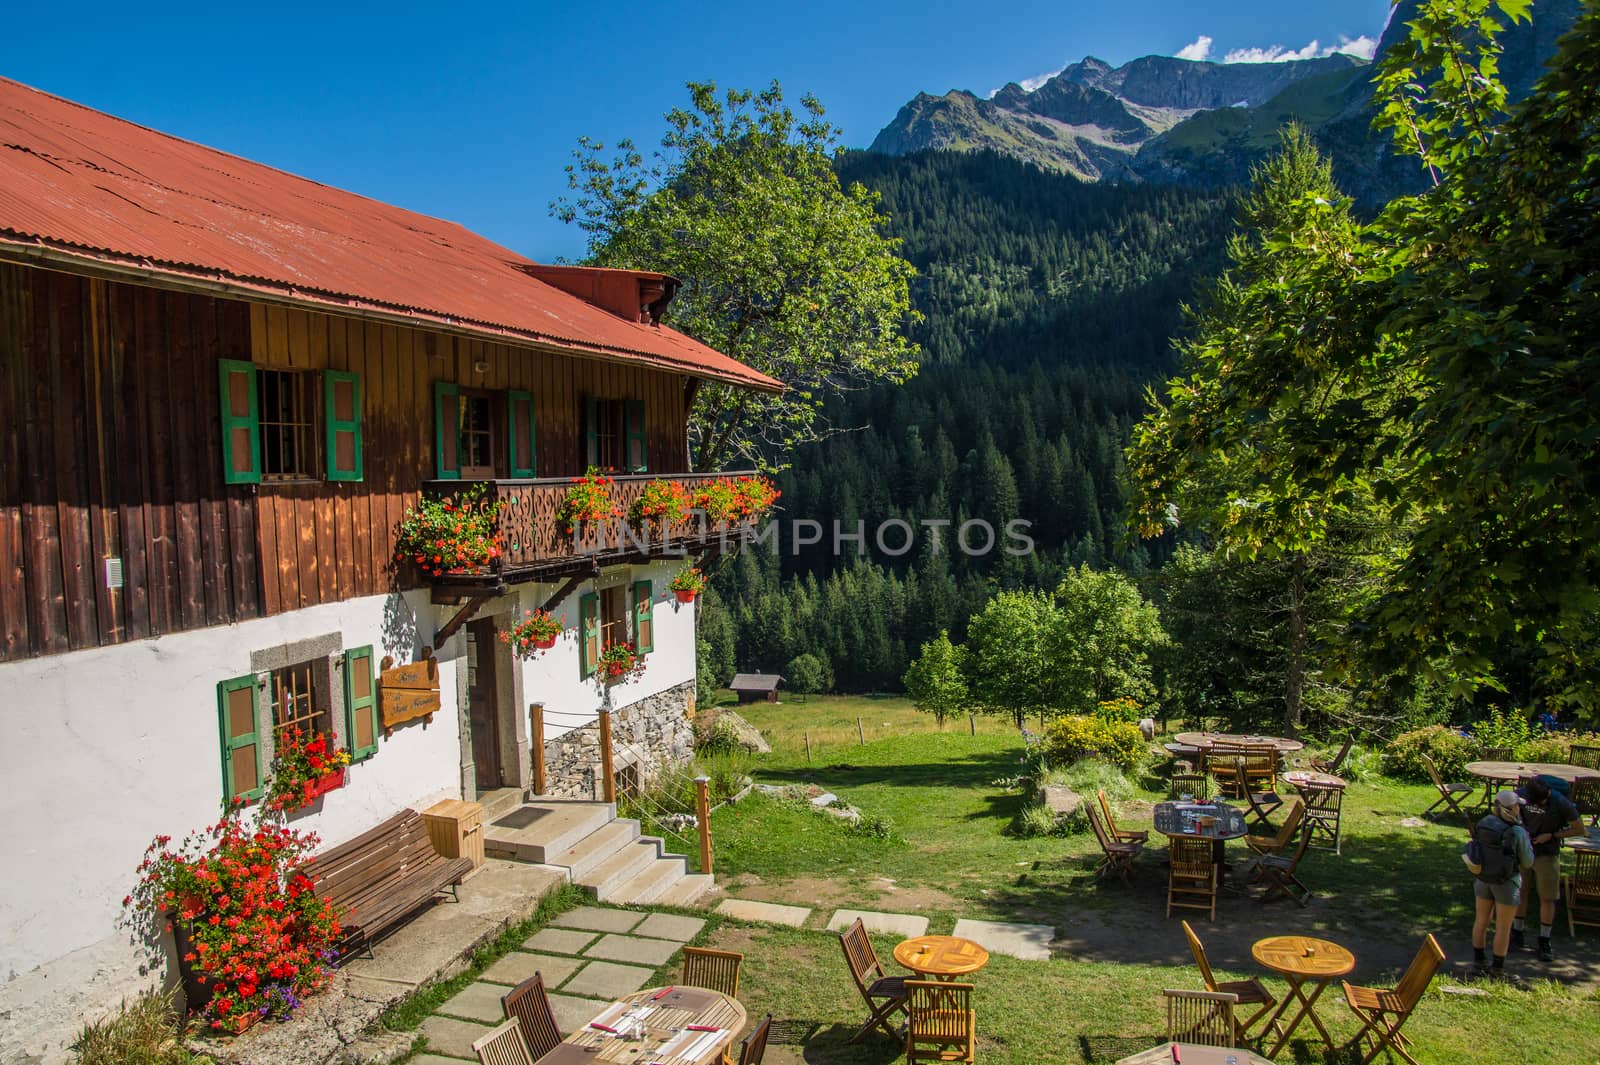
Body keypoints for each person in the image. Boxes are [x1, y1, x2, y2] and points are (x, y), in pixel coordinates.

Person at [1513, 776, 1586, 961]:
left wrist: (1553, 835)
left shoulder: (1560, 802)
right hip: (1525, 851)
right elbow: (1509, 814)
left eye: (1546, 800)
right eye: (1541, 801)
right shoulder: (1520, 797)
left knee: (1548, 897)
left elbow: (1579, 829)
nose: (1545, 803)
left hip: (1547, 854)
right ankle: (1517, 933)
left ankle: (1544, 940)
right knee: (1521, 892)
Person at [1470, 789, 1534, 976]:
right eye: (1517, 805)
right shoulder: (1516, 831)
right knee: (1503, 928)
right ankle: (1497, 968)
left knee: (1481, 921)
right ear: (1513, 807)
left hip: (1483, 879)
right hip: (1507, 882)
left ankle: (1478, 962)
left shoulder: (1484, 823)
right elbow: (1528, 862)